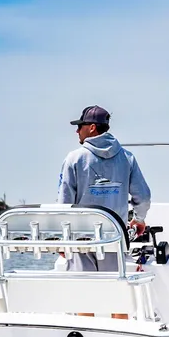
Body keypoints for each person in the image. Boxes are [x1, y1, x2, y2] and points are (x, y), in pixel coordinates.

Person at [56, 105, 151, 272]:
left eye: (80, 126)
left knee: (83, 287)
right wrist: (139, 219)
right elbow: (143, 197)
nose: (77, 131)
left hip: (81, 241)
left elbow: (65, 202)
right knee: (112, 285)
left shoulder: (74, 158)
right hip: (114, 238)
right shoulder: (127, 157)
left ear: (92, 127)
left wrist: (62, 240)